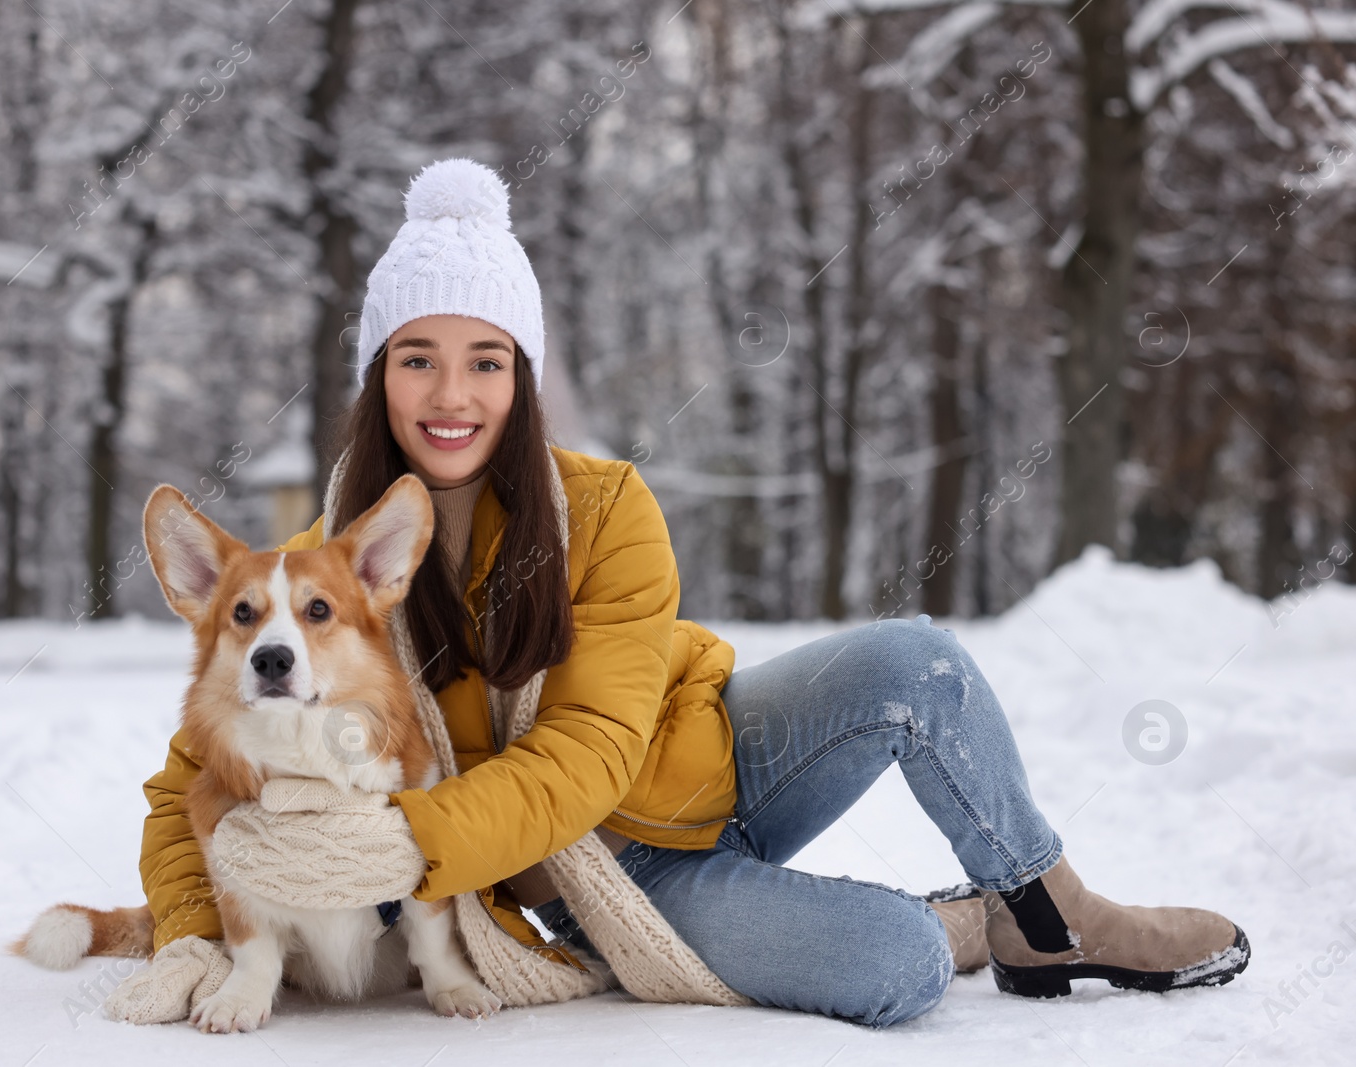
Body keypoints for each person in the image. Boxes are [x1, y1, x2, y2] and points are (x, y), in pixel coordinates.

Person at [127, 158, 1249, 1028]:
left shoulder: (605, 506)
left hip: (713, 757)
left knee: (920, 663)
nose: (451, 392)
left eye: (486, 358)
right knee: (894, 972)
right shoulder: (324, 585)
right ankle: (960, 924)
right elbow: (195, 778)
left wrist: (402, 843)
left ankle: (1051, 911)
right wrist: (193, 935)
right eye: (417, 357)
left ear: (522, 376)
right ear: (380, 377)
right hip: (612, 869)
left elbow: (593, 746)